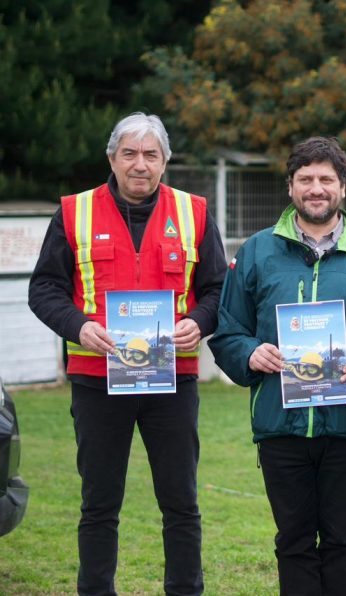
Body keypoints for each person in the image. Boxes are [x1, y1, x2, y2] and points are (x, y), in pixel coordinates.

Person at [28, 112, 227, 595]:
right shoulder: (74, 211)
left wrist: (197, 323)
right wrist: (79, 326)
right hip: (97, 380)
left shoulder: (195, 212)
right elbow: (45, 289)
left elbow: (220, 289)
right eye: (130, 154)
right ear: (112, 159)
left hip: (172, 381)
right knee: (99, 504)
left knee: (181, 502)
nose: (140, 164)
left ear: (165, 162)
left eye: (151, 155)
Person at [209, 137, 346, 596]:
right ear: (290, 187)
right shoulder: (256, 252)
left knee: (341, 538)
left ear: (343, 188)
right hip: (280, 425)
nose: (317, 188)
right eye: (306, 179)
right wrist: (250, 353)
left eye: (326, 180)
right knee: (292, 539)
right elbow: (227, 330)